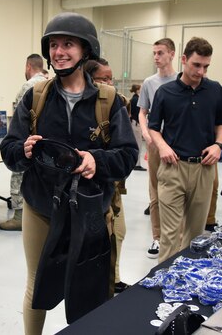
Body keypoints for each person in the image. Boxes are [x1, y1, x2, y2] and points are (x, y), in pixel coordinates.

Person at [0, 12, 137, 334]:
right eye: (54, 45)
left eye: (68, 44)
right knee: (37, 287)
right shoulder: (35, 98)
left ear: (85, 50)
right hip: (41, 210)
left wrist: (96, 161)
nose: (59, 52)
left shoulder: (110, 101)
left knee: (92, 291)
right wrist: (25, 150)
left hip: (91, 213)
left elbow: (128, 156)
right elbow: (9, 150)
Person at [148, 37, 222, 263]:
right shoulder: (165, 92)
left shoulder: (215, 91)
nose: (201, 71)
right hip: (173, 168)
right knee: (170, 235)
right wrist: (163, 146)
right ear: (184, 60)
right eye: (196, 65)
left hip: (204, 169)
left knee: (195, 234)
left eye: (205, 66)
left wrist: (218, 144)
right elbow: (154, 127)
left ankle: (187, 281)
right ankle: (163, 283)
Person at [84, 58, 131, 294]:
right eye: (104, 79)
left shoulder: (115, 103)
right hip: (92, 190)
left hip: (113, 184)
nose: (110, 83)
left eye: (111, 78)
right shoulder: (85, 108)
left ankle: (114, 277)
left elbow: (125, 150)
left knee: (119, 232)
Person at [137, 38, 178, 259]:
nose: (156, 57)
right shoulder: (149, 83)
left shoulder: (182, 81)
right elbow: (142, 112)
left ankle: (178, 238)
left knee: (177, 189)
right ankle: (157, 237)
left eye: (160, 53)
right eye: (154, 53)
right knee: (155, 190)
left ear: (172, 54)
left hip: (177, 142)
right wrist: (145, 132)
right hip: (154, 140)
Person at [0, 54, 46, 231]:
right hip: (46, 147)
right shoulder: (51, 84)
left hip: (28, 143)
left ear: (28, 67)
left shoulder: (29, 86)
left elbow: (20, 119)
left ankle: (19, 216)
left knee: (19, 174)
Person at [129, 84, 146, 171]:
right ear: (138, 90)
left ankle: (136, 163)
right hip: (136, 124)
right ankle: (136, 164)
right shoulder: (136, 100)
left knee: (138, 144)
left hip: (134, 123)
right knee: (138, 144)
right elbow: (137, 113)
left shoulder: (134, 99)